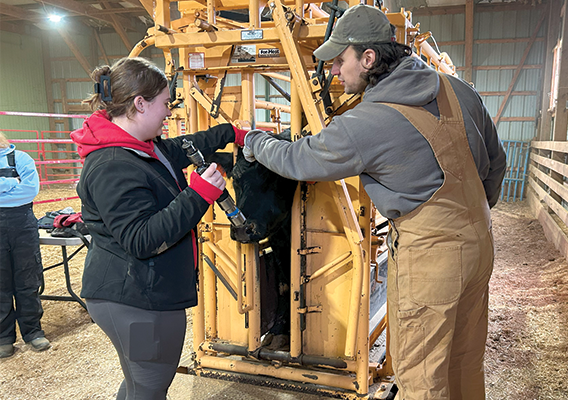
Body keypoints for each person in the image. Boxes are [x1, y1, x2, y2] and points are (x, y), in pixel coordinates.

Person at [242, 5, 506, 400]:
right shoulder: (459, 90)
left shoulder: (366, 122)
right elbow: (498, 162)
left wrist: (254, 141)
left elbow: (298, 160)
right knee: (464, 358)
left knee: (421, 375)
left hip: (432, 257)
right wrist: (468, 216)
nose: (333, 70)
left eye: (339, 60)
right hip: (480, 242)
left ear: (368, 58)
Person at [70, 57, 248, 399]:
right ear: (140, 103)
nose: (169, 111)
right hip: (135, 301)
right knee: (150, 387)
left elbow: (185, 146)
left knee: (142, 383)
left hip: (144, 291)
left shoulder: (143, 147)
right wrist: (199, 195)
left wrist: (233, 134)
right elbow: (141, 239)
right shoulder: (112, 164)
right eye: (165, 103)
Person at [0, 131, 51, 358]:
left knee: (27, 278)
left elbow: (30, 190)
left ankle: (33, 332)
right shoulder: (18, 167)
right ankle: (4, 337)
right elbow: (20, 188)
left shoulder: (21, 158)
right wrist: (12, 182)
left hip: (22, 222)